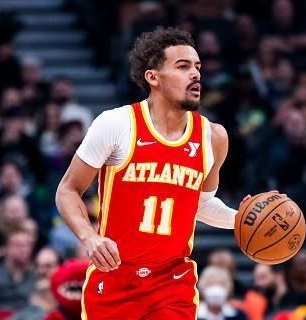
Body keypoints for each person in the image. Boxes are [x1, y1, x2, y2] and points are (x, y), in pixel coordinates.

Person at [56, 26, 253, 319]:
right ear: (153, 77)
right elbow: (68, 190)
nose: (196, 74)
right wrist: (89, 237)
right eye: (183, 66)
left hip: (171, 281)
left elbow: (199, 204)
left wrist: (241, 220)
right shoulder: (117, 124)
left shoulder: (213, 136)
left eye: (197, 67)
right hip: (115, 277)